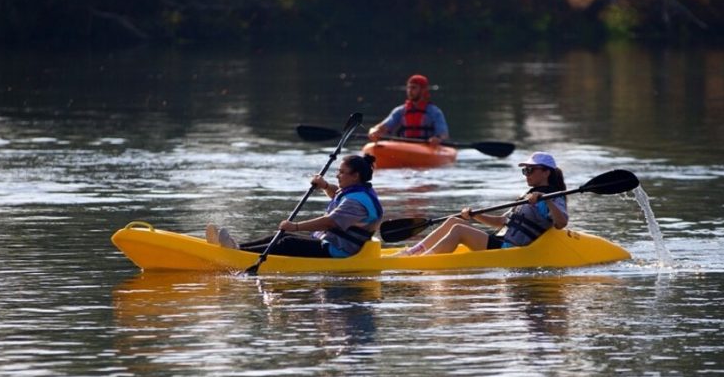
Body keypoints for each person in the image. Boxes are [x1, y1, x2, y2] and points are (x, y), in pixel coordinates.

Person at [206, 154, 383, 258]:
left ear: (355, 176)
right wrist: (325, 186)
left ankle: (237, 254)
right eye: (338, 171)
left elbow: (330, 222)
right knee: (279, 235)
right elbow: (337, 195)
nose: (338, 175)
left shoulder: (355, 202)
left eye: (342, 172)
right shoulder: (359, 191)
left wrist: (296, 226)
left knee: (288, 242)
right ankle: (237, 248)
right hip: (331, 242)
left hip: (340, 250)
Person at [398, 152, 568, 256]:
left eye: (530, 170)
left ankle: (424, 262)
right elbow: (502, 221)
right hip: (500, 241)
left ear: (546, 172)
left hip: (510, 250)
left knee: (458, 230)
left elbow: (561, 223)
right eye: (525, 170)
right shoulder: (527, 195)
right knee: (453, 221)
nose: (526, 174)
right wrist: (475, 215)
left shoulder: (554, 197)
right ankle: (412, 253)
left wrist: (546, 200)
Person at [368, 74, 449, 145]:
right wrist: (374, 131)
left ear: (423, 90)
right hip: (405, 147)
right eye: (408, 87)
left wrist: (438, 138)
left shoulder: (434, 112)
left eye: (413, 88)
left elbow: (443, 134)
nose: (410, 91)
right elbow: (383, 127)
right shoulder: (400, 111)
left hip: (426, 147)